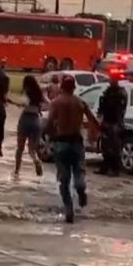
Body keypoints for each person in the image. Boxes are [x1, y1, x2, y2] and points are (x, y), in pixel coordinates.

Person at [46, 76, 99, 224]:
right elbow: (94, 121)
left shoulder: (56, 103)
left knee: (64, 179)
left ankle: (69, 211)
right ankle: (80, 187)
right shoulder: (80, 102)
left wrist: (49, 138)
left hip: (61, 143)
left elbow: (49, 123)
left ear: (62, 87)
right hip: (76, 142)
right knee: (79, 170)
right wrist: (94, 136)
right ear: (74, 88)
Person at [12, 75, 48, 177]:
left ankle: (17, 170)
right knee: (32, 149)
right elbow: (48, 103)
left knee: (20, 148)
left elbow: (23, 102)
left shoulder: (26, 93)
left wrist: (13, 102)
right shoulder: (39, 93)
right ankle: (36, 160)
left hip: (25, 120)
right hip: (36, 120)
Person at [96, 74, 128, 176]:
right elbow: (102, 105)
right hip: (107, 121)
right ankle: (105, 167)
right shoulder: (108, 92)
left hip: (115, 123)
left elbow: (120, 109)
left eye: (113, 79)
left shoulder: (120, 93)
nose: (111, 81)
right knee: (105, 146)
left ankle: (115, 169)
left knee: (115, 147)